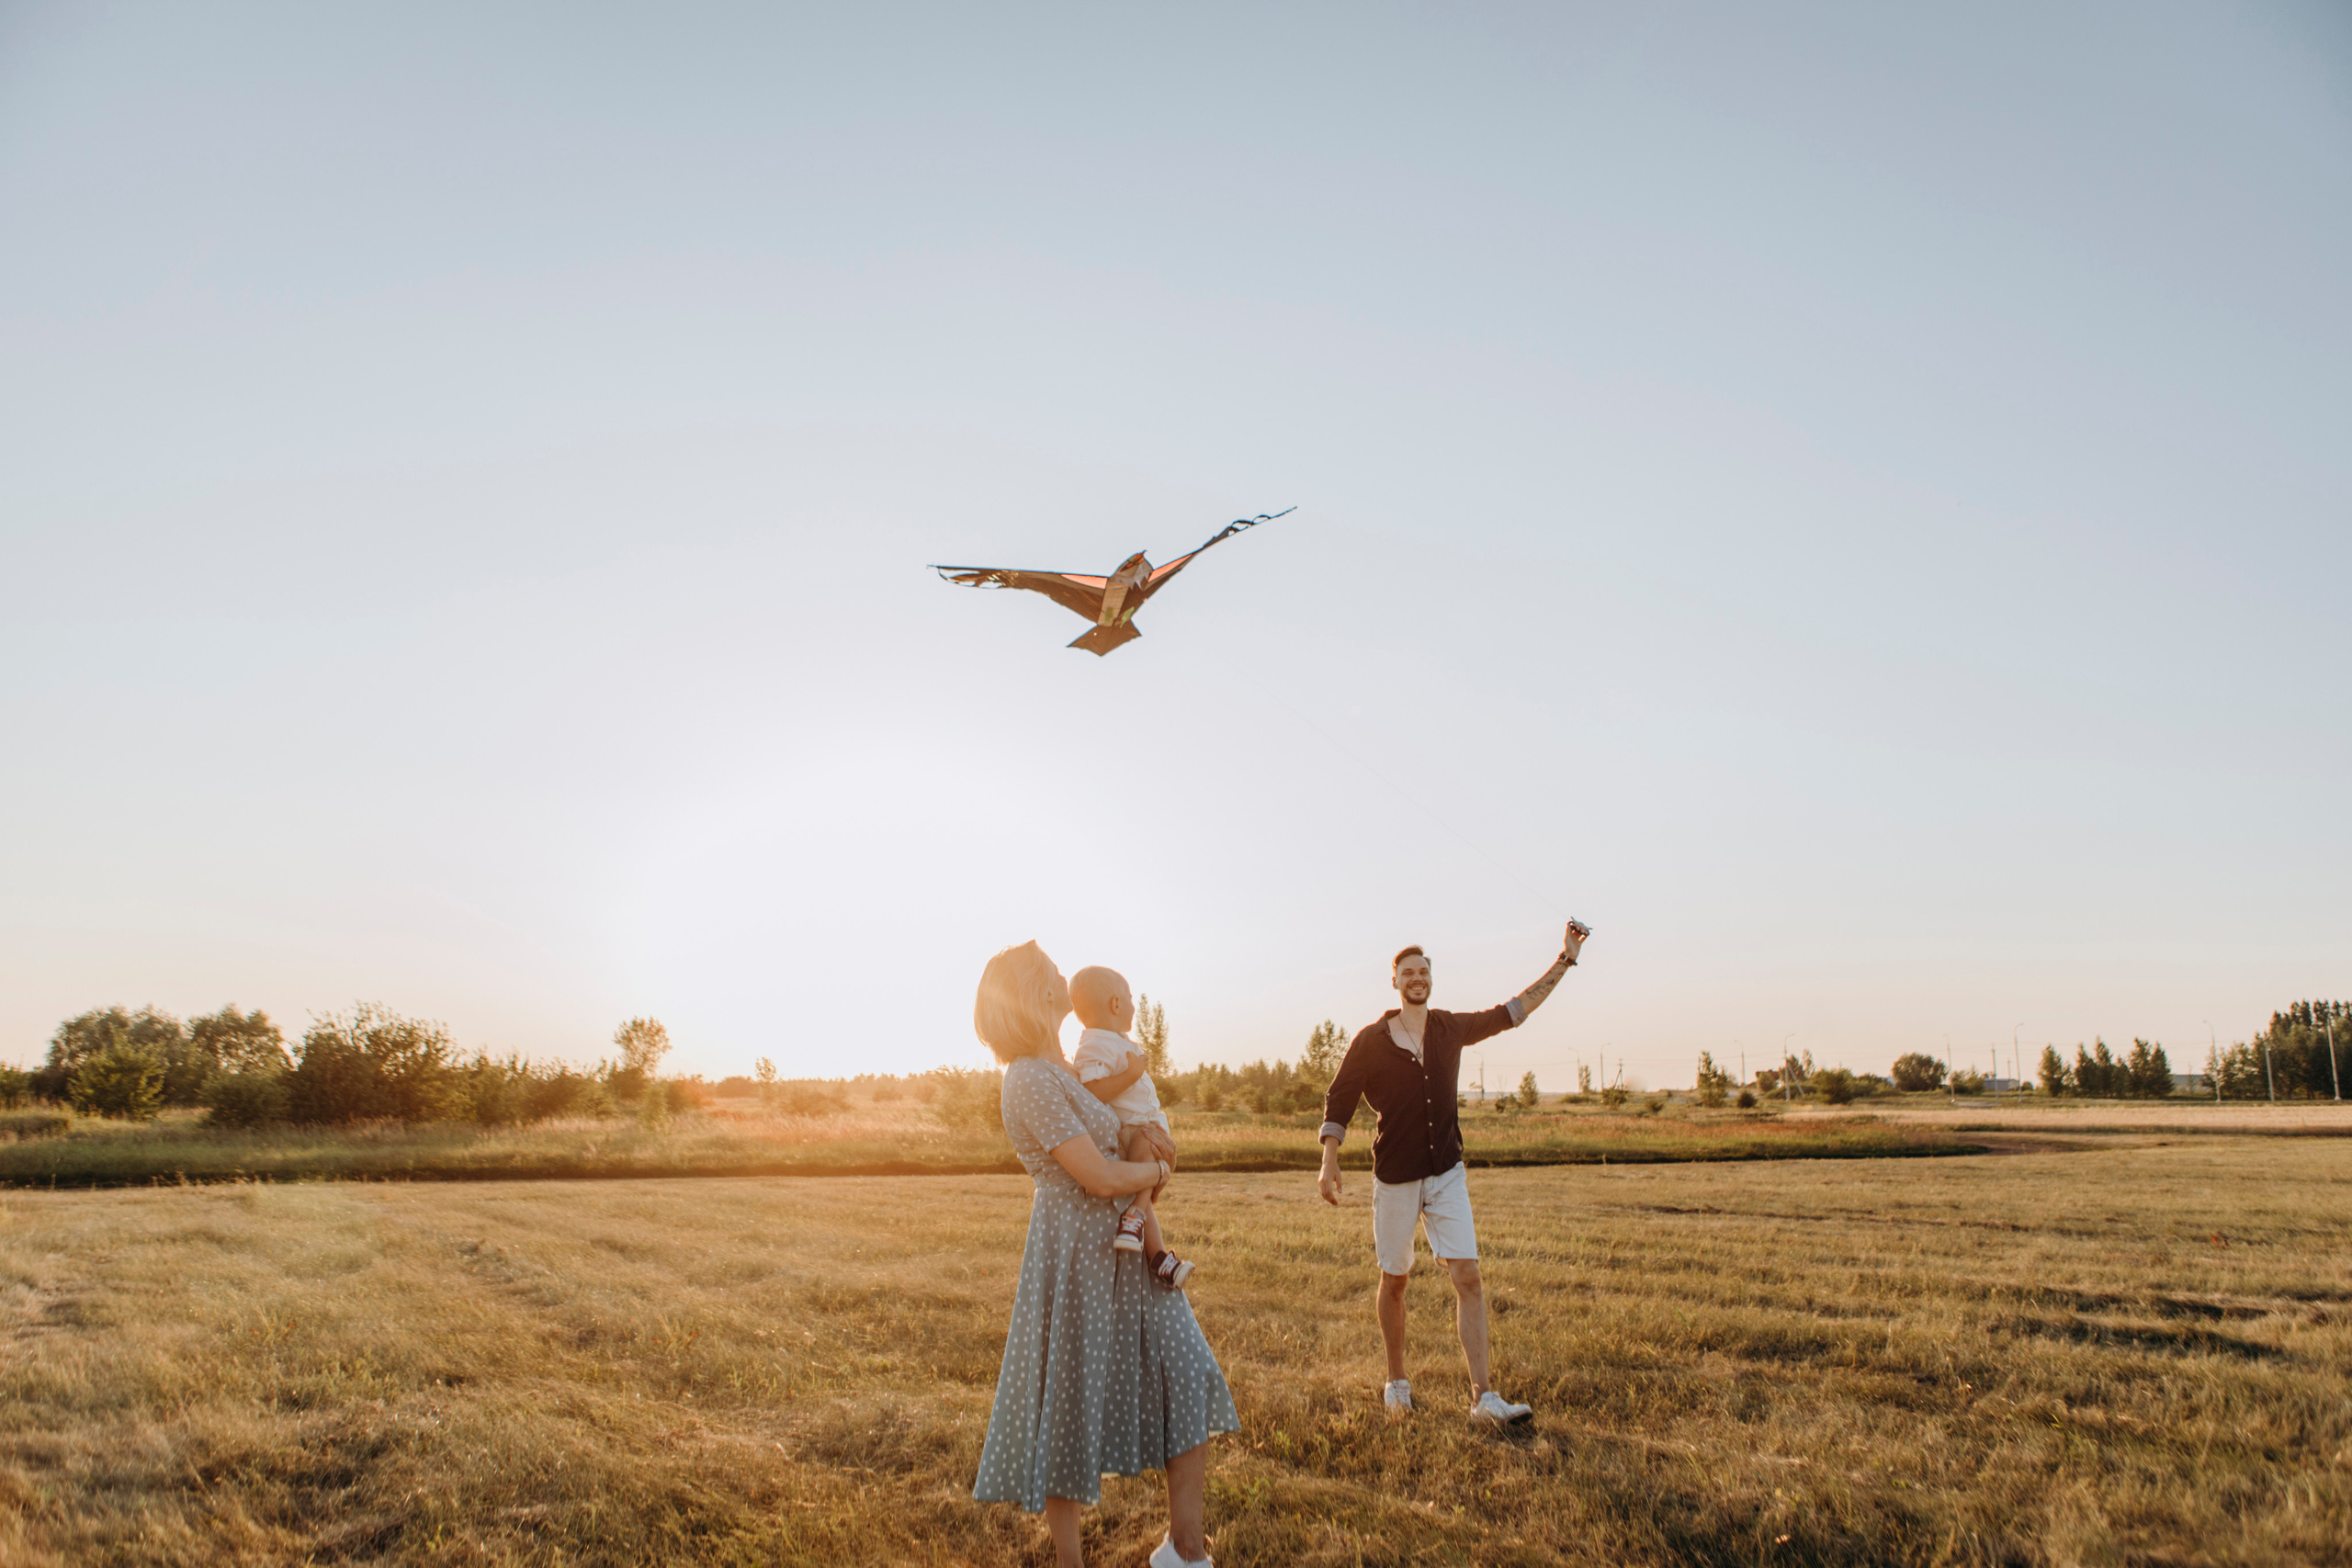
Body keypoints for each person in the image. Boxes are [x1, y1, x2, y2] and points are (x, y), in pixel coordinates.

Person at [971, 941, 1237, 1568]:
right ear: (1034, 992)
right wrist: (1153, 1169)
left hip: (1130, 1244)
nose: (1064, 975)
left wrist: (1152, 1151)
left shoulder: (1071, 1066)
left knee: (1187, 1374)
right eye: (1052, 970)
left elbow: (1121, 1149)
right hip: (1076, 1258)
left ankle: (1184, 1550)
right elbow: (1095, 1175)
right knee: (1068, 1403)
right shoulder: (1027, 1078)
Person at [1316, 920, 1590, 1425]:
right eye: (1407, 973)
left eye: (1423, 971)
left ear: (1431, 979)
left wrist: (1565, 960)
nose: (1416, 978)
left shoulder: (1449, 1028)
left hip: (1446, 1172)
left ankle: (1484, 1398)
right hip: (1395, 1176)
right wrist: (1329, 1157)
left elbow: (1514, 1011)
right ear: (1394, 982)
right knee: (1395, 1279)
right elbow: (1341, 1097)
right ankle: (1397, 1382)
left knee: (1469, 1276)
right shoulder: (1371, 1040)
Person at [1069, 964, 1195, 1290]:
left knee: (1145, 1185)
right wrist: (1131, 1075)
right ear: (1116, 1004)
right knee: (1144, 1187)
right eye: (1129, 998)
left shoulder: (1116, 1040)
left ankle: (1158, 1257)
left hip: (1145, 1127)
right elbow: (1092, 1091)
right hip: (1133, 1130)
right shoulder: (1094, 1045)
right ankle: (1136, 1218)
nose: (1133, 1006)